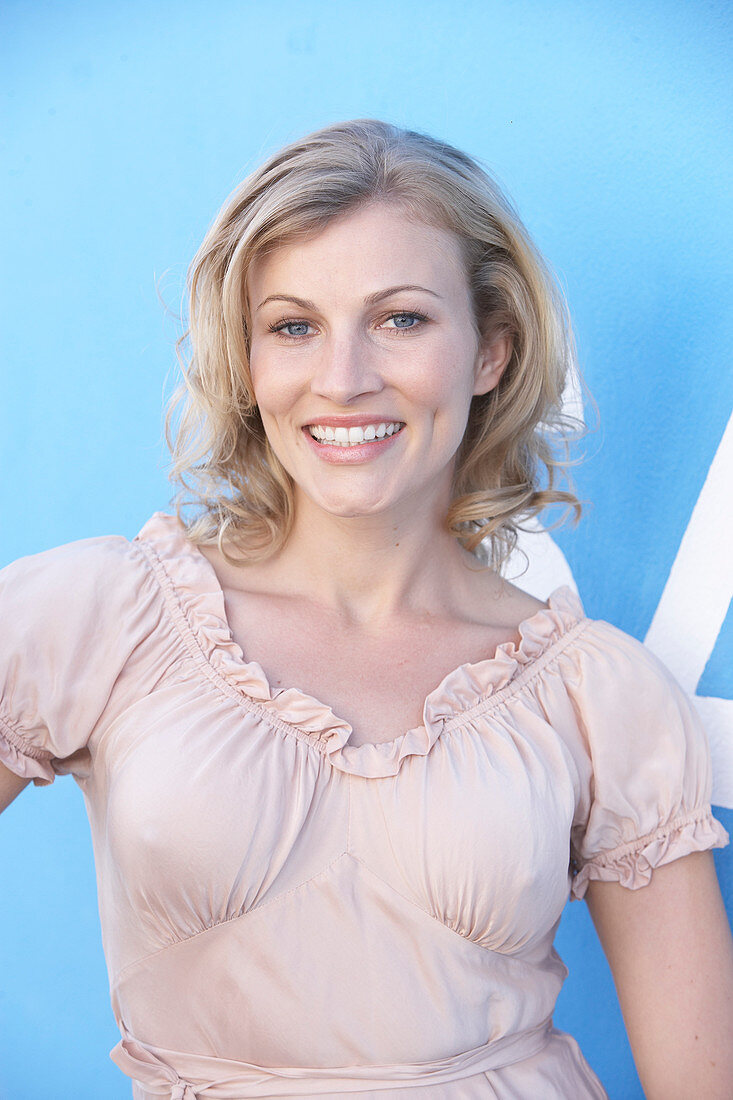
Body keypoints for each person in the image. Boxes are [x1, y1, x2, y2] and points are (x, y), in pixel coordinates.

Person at [1, 119, 731, 1100]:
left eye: (400, 319)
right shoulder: (102, 612)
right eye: (293, 325)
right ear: (250, 363)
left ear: (490, 351)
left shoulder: (597, 692)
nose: (342, 377)